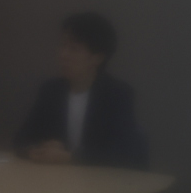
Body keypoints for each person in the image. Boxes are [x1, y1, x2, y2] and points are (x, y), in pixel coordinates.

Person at [15, 12, 148, 170]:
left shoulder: (117, 94)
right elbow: (21, 139)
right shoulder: (51, 90)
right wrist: (40, 148)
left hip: (102, 185)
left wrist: (69, 157)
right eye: (63, 45)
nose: (63, 55)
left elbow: (125, 152)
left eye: (74, 49)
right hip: (58, 183)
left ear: (97, 58)